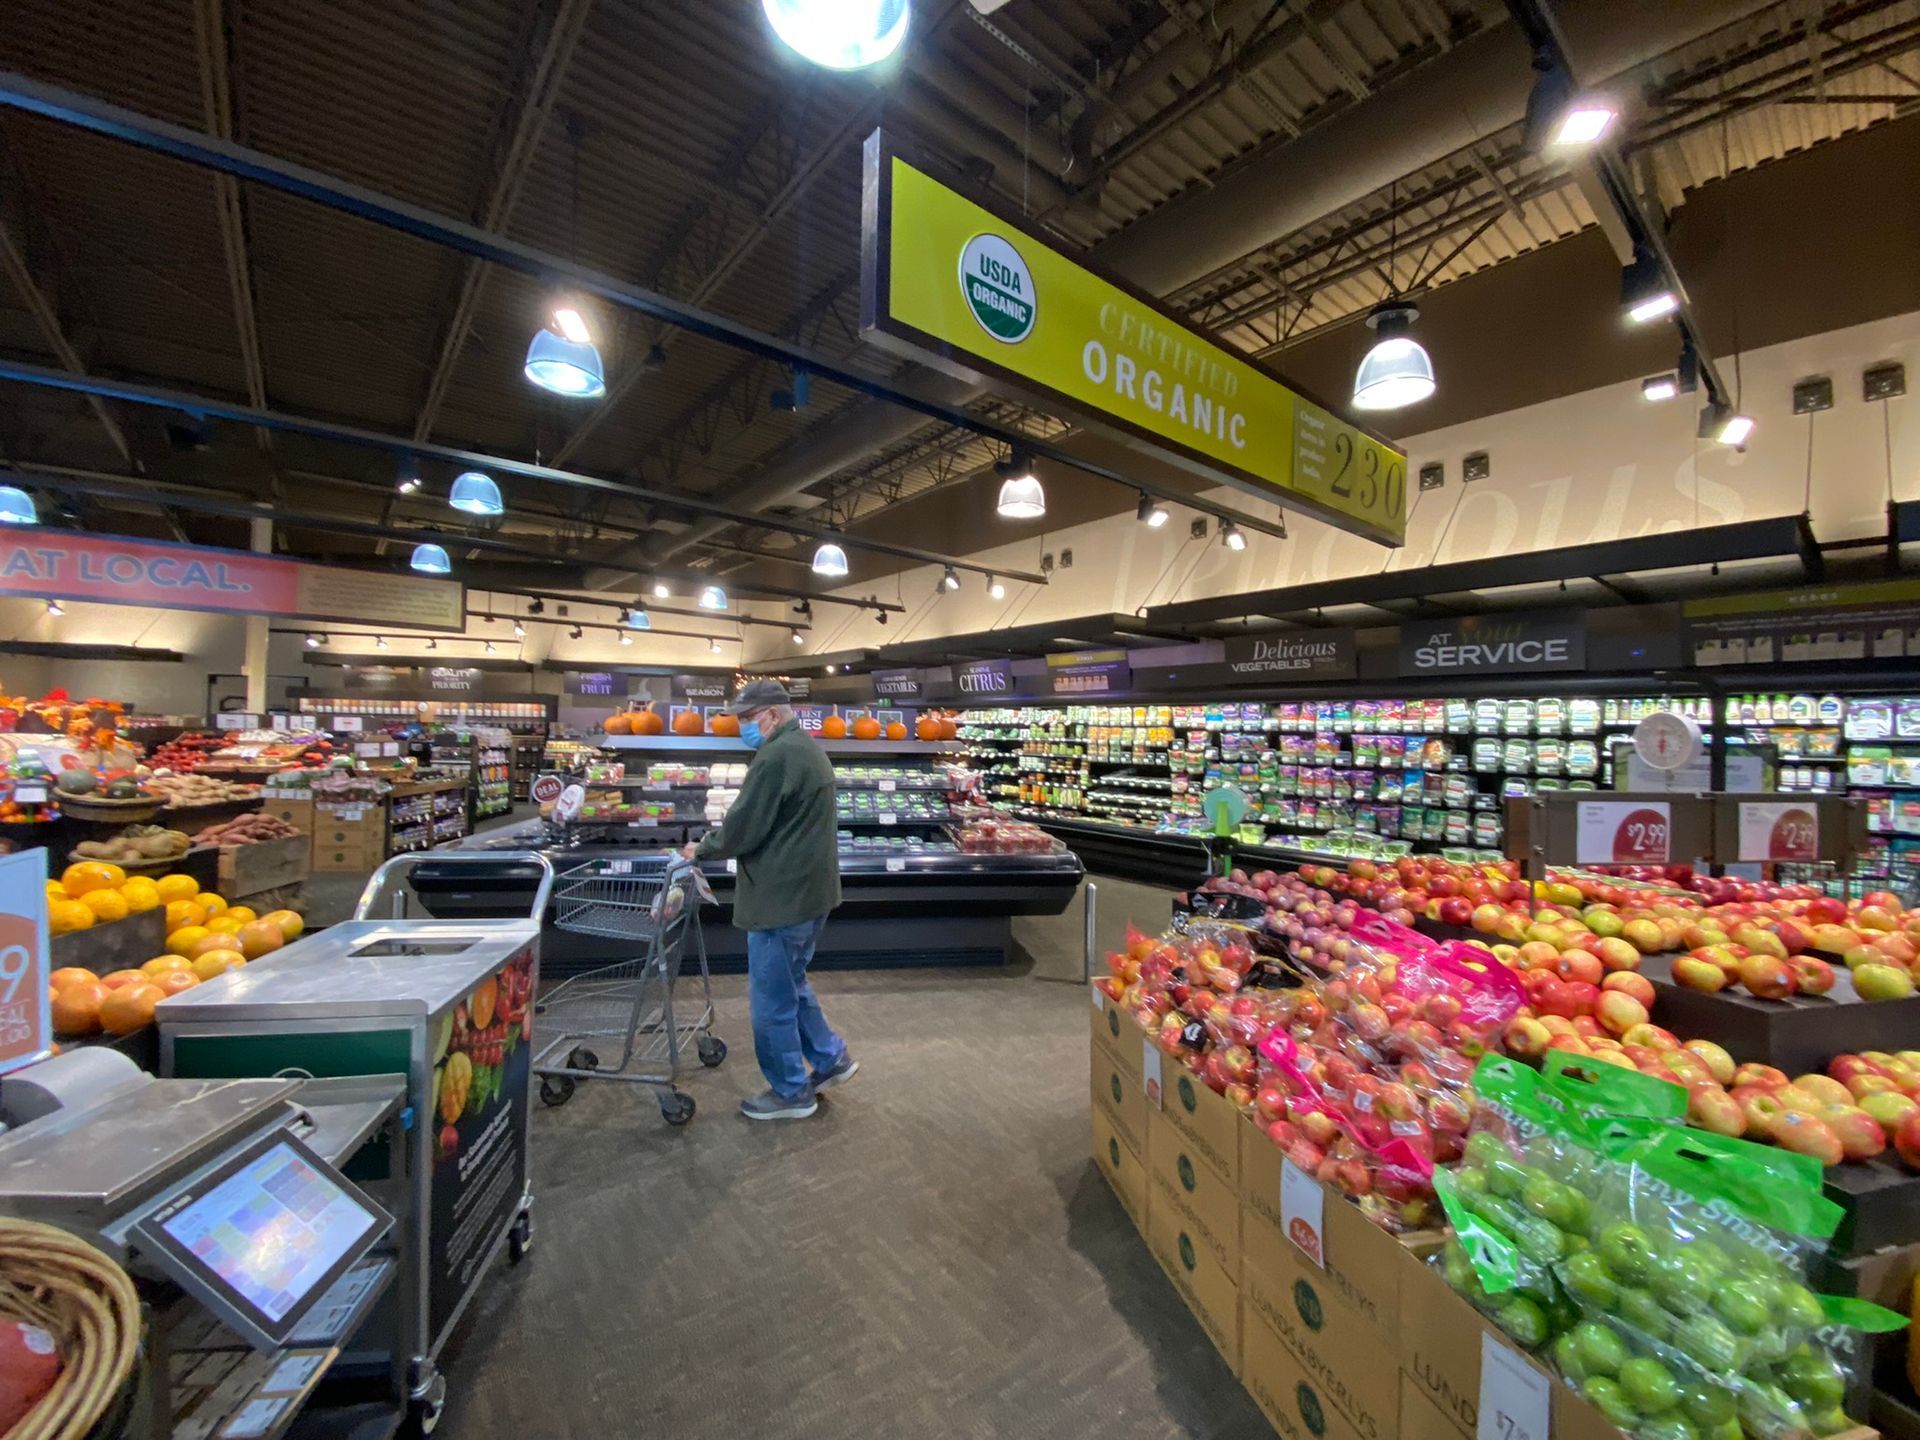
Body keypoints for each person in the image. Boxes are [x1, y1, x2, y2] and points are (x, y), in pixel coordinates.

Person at [683, 678, 854, 1120]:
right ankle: (829, 1057)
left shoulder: (776, 756)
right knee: (793, 983)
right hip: (809, 894)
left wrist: (700, 848)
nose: (743, 727)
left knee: (771, 1000)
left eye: (747, 718)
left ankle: (791, 1092)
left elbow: (744, 826)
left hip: (780, 899)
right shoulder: (807, 748)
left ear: (773, 715)